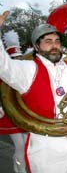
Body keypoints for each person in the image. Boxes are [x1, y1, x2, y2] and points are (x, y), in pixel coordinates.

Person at [0, 10, 67, 173]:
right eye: (48, 41)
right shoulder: (28, 69)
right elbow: (3, 66)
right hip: (47, 144)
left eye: (57, 41)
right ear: (37, 46)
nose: (54, 45)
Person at [0, 30, 27, 173]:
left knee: (27, 144)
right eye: (15, 57)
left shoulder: (23, 69)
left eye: (19, 56)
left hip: (24, 113)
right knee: (20, 146)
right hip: (10, 112)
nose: (19, 59)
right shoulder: (4, 72)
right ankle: (19, 170)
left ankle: (22, 167)